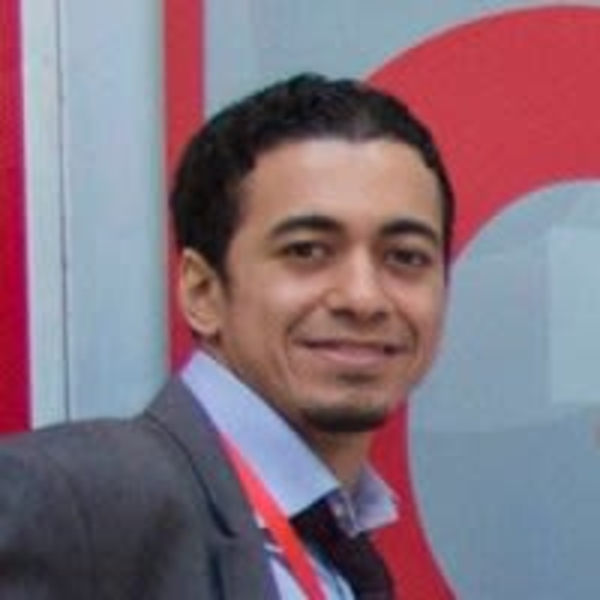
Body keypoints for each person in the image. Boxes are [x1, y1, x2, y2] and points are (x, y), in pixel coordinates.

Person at [0, 73, 454, 599]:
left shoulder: (337, 545)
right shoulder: (66, 499)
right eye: (307, 251)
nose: (363, 297)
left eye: (405, 257)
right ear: (202, 291)